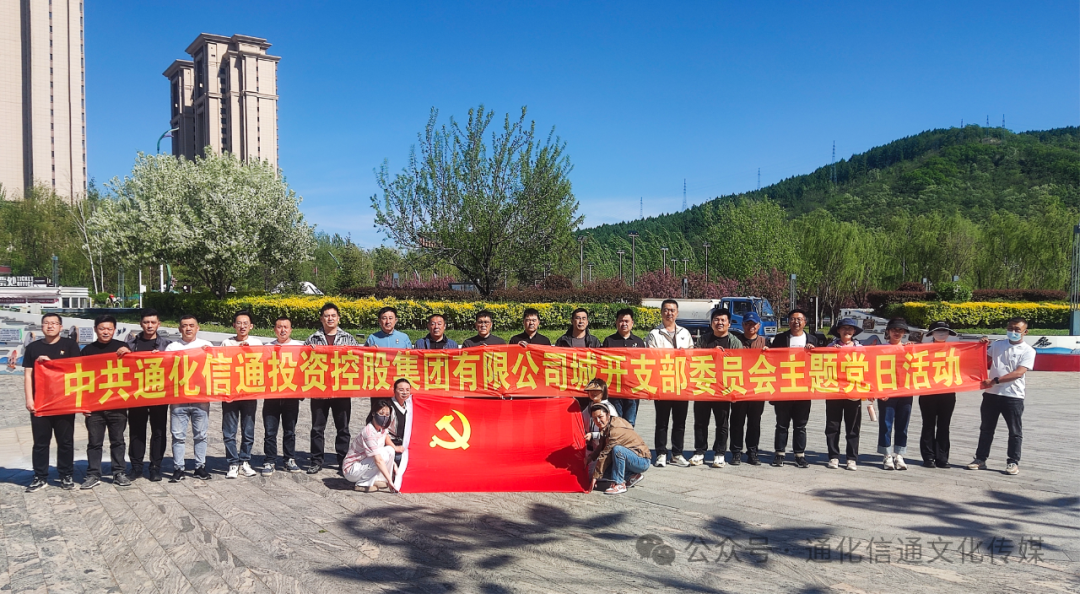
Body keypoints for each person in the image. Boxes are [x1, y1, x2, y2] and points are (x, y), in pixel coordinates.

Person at [968, 317, 1036, 476]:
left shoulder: (1028, 350)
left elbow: (1019, 373)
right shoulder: (998, 345)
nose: (1013, 332)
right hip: (991, 394)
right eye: (1010, 328)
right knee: (986, 429)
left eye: (1017, 329)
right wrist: (982, 346)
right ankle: (980, 459)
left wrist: (995, 380)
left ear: (1025, 332)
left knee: (1014, 431)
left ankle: (1013, 461)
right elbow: (982, 360)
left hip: (1013, 396)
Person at [22, 313, 81, 492]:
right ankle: (40, 476)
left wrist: (52, 364)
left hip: (64, 401)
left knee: (65, 441)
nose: (50, 326)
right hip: (41, 402)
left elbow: (76, 371)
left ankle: (66, 475)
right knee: (40, 442)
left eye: (54, 323)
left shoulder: (70, 345)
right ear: (41, 326)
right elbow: (28, 375)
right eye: (46, 323)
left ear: (61, 327)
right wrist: (29, 399)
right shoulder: (33, 347)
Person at [78, 314, 133, 489]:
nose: (106, 332)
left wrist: (129, 355)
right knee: (95, 442)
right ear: (96, 329)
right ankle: (93, 474)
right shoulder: (87, 350)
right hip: (94, 405)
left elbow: (135, 371)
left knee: (118, 440)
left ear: (114, 330)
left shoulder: (122, 348)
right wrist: (83, 404)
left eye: (109, 328)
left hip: (117, 403)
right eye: (102, 328)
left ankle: (119, 472)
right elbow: (80, 379)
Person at [305, 303, 361, 474]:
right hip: (319, 389)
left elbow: (359, 361)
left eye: (333, 315)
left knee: (343, 428)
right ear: (321, 318)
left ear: (338, 318)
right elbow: (302, 362)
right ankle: (316, 460)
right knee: (317, 428)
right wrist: (308, 352)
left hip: (341, 390)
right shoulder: (312, 339)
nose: (330, 318)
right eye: (326, 316)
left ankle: (343, 461)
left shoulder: (348, 339)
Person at [645, 300, 695, 467]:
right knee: (662, 421)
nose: (669, 313)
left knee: (680, 422)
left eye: (672, 310)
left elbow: (692, 355)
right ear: (661, 312)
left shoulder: (685, 333)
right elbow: (651, 356)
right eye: (666, 310)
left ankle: (677, 453)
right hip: (662, 383)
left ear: (677, 313)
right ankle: (661, 453)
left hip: (681, 383)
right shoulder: (654, 334)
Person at [124, 308, 172, 481]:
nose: (149, 325)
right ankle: (136, 467)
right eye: (146, 322)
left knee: (158, 431)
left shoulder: (166, 345)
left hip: (159, 394)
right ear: (140, 324)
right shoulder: (130, 345)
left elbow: (178, 364)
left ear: (159, 324)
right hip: (137, 394)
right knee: (136, 431)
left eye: (153, 322)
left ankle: (155, 467)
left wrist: (164, 357)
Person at [164, 315, 213, 482]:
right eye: (184, 325)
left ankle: (200, 467)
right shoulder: (172, 347)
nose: (188, 328)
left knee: (201, 435)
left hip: (200, 398)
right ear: (180, 329)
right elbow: (164, 369)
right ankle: (178, 468)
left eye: (192, 325)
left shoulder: (206, 346)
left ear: (197, 328)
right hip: (178, 399)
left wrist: (209, 354)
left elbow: (217, 367)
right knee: (178, 436)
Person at [769, 309, 819, 468]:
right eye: (792, 319)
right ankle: (779, 454)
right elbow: (771, 359)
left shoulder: (813, 339)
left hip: (803, 388)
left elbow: (822, 360)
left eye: (799, 319)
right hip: (784, 387)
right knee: (781, 424)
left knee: (800, 425)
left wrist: (813, 352)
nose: (795, 322)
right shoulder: (780, 338)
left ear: (805, 322)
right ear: (788, 321)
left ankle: (799, 455)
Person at [693, 307, 742, 467]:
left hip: (724, 389)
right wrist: (710, 352)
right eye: (716, 320)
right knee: (700, 422)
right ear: (711, 323)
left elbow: (740, 365)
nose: (719, 323)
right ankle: (699, 451)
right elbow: (693, 358)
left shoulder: (735, 342)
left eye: (723, 320)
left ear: (729, 323)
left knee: (722, 423)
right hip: (704, 387)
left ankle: (720, 453)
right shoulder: (703, 340)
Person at [219, 310, 264, 479]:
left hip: (249, 393)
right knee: (229, 430)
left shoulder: (257, 343)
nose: (242, 326)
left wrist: (249, 351)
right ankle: (232, 462)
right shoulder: (226, 343)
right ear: (234, 325)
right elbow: (219, 364)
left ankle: (245, 460)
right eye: (239, 323)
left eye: (246, 323)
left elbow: (263, 364)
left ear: (251, 326)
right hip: (230, 392)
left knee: (248, 429)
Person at [263, 316, 304, 475]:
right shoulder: (267, 347)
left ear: (291, 329)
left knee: (290, 431)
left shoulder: (299, 347)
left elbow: (304, 370)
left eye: (286, 327)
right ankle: (269, 460)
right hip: (271, 396)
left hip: (291, 396)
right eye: (279, 327)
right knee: (270, 432)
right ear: (274, 329)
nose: (282, 330)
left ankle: (289, 459)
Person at [824, 317, 864, 471]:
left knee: (853, 427)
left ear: (854, 332)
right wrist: (831, 353)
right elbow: (821, 366)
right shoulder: (830, 347)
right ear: (838, 331)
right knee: (832, 426)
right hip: (834, 391)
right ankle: (833, 456)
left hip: (853, 392)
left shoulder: (861, 349)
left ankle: (851, 458)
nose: (847, 331)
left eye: (850, 329)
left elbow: (868, 369)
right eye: (844, 328)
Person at [587, 404, 650, 495]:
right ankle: (631, 476)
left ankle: (619, 484)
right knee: (602, 469)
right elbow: (601, 446)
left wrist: (595, 477)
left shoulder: (615, 429)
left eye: (600, 417)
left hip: (642, 460)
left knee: (618, 450)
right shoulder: (608, 424)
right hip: (631, 458)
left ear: (608, 414)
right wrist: (590, 458)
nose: (598, 421)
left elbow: (605, 453)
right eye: (594, 418)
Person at [731, 311, 768, 466]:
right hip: (738, 388)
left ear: (758, 325)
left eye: (753, 324)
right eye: (747, 323)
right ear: (743, 325)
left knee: (754, 422)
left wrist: (769, 353)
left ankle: (752, 452)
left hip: (757, 389)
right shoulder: (735, 341)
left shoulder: (765, 342)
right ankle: (736, 452)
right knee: (737, 422)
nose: (750, 326)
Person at [343, 399, 403, 492]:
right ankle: (362, 483)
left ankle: (379, 480)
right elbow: (378, 460)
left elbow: (386, 437)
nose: (384, 417)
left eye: (387, 415)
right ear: (374, 413)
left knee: (390, 450)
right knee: (380, 457)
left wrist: (394, 462)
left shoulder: (382, 429)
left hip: (365, 461)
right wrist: (390, 480)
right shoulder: (368, 432)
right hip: (352, 468)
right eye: (381, 413)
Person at [920, 321, 958, 468]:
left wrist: (981, 344)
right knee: (928, 425)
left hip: (947, 392)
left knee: (944, 425)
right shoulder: (923, 350)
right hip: (928, 392)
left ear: (949, 333)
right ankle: (928, 457)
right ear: (932, 333)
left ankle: (942, 457)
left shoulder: (955, 350)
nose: (941, 333)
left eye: (944, 331)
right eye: (938, 330)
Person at [877, 318, 914, 471]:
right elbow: (874, 370)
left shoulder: (909, 348)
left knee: (903, 424)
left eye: (900, 330)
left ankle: (899, 454)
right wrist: (878, 391)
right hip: (886, 391)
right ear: (888, 331)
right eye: (894, 329)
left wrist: (912, 351)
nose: (897, 333)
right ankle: (886, 454)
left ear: (904, 332)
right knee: (886, 424)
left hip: (905, 391)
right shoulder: (880, 349)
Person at [601, 308, 646, 426]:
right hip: (614, 389)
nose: (624, 324)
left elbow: (645, 364)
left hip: (633, 389)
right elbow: (602, 364)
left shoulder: (639, 342)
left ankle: (628, 438)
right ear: (616, 322)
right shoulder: (609, 341)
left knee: (630, 422)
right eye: (621, 321)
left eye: (627, 321)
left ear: (632, 323)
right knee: (615, 421)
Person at [387, 379, 412, 464]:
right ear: (394, 391)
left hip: (406, 443)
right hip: (392, 444)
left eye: (407, 390)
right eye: (401, 390)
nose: (404, 393)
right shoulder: (388, 407)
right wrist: (395, 447)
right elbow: (382, 432)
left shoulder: (409, 405)